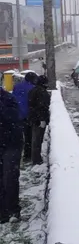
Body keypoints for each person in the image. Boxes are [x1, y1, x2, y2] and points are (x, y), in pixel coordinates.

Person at [0, 86, 22, 223]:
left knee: (10, 178)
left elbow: (14, 117)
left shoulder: (8, 99)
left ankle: (13, 210)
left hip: (11, 144)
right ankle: (2, 213)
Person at [27, 75, 51, 165]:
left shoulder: (33, 90)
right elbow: (42, 107)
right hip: (39, 119)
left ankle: (35, 158)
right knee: (37, 140)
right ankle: (36, 160)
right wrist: (42, 120)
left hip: (33, 118)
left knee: (34, 139)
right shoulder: (42, 92)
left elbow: (31, 105)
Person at [12, 72, 34, 162]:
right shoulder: (32, 88)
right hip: (28, 115)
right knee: (29, 136)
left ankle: (16, 155)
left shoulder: (17, 86)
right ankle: (27, 155)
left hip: (17, 114)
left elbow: (13, 98)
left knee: (19, 136)